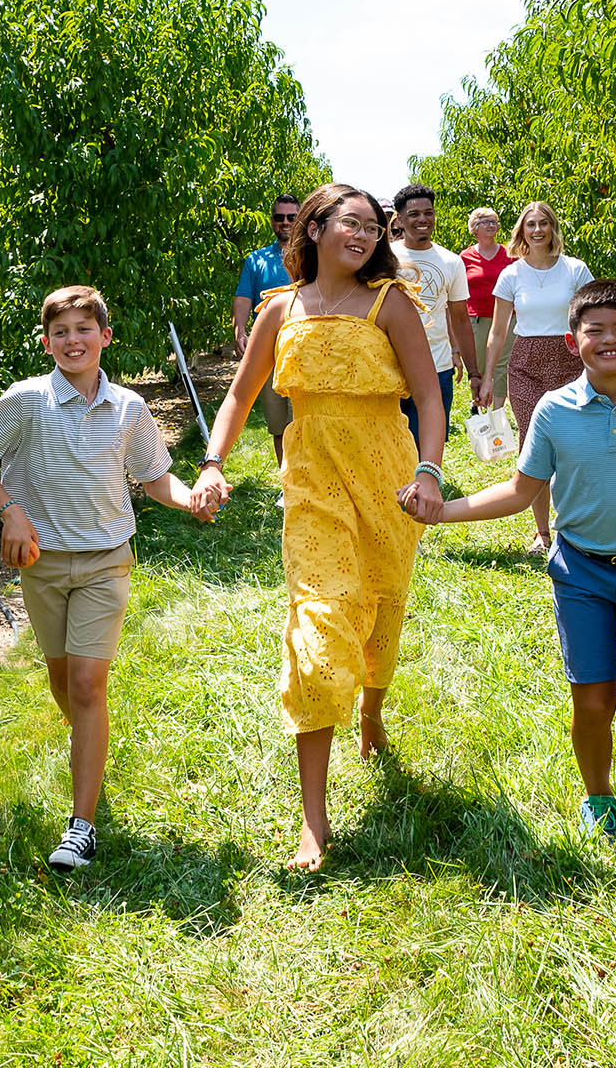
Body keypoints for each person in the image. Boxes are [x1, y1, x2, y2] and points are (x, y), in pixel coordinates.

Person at [190, 182, 445, 871]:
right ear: (315, 227)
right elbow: (240, 394)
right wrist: (213, 463)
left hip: (386, 477)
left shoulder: (391, 303)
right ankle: (314, 819)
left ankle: (371, 710)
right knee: (318, 623)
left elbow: (427, 396)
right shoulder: (280, 309)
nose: (363, 235)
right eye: (350, 223)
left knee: (381, 608)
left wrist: (428, 472)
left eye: (373, 227)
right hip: (311, 483)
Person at [406, 279, 616, 837]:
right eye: (595, 330)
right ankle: (599, 794)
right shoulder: (553, 410)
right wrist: (443, 512)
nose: (609, 339)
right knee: (592, 701)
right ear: (573, 342)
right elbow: (521, 490)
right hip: (580, 572)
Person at [0, 285, 206, 871]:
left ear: (105, 337)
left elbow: (153, 478)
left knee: (89, 684)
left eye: (83, 329)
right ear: (47, 343)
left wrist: (191, 498)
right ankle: (89, 747)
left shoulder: (129, 408)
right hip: (41, 562)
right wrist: (10, 512)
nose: (73, 341)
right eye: (61, 332)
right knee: (64, 681)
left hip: (105, 559)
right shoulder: (25, 401)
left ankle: (81, 827)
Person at [481, 201, 594, 554]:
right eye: (530, 224)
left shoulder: (575, 269)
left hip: (569, 361)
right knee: (535, 445)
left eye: (544, 223)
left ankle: (574, 524)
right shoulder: (511, 275)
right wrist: (488, 378)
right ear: (522, 231)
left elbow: (592, 318)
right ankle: (542, 532)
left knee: (574, 444)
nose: (537, 230)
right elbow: (498, 332)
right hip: (526, 364)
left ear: (553, 228)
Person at [388, 182, 481, 445]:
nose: (423, 219)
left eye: (428, 213)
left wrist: (474, 372)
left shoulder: (451, 262)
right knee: (390, 446)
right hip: (390, 365)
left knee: (429, 443)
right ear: (400, 219)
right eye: (414, 214)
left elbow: (460, 318)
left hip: (437, 367)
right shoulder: (385, 258)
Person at [233, 194, 301, 466]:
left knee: (304, 422)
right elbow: (243, 297)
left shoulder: (315, 256)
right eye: (279, 217)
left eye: (291, 217)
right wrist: (239, 330)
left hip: (304, 348)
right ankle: (287, 479)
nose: (285, 222)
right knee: (278, 423)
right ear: (272, 221)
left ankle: (306, 478)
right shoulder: (256, 260)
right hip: (269, 350)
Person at [459, 207, 513, 414]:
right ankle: (480, 405)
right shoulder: (465, 257)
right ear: (474, 228)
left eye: (494, 222)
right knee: (480, 365)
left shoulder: (510, 254)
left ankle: (498, 412)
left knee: (502, 365)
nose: (491, 225)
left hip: (506, 318)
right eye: (486, 222)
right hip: (477, 318)